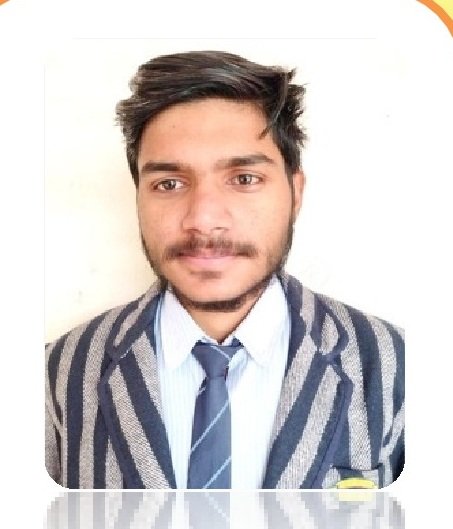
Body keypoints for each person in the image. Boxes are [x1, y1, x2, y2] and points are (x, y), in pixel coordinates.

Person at [45, 50, 404, 489]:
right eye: (168, 183)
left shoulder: (398, 365)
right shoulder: (56, 373)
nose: (203, 218)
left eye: (244, 179)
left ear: (295, 192)